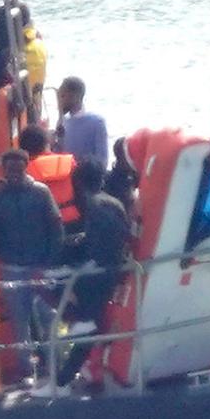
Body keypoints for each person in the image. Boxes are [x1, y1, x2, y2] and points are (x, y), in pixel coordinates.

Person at [0, 148, 66, 389]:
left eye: (17, 168)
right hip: (11, 266)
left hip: (40, 265)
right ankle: (26, 370)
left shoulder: (41, 193)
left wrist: (50, 261)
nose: (12, 173)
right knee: (19, 321)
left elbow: (56, 225)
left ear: (25, 168)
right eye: (9, 169)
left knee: (48, 316)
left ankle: (56, 366)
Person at [62, 160, 135, 386]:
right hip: (110, 269)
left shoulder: (96, 205)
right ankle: (85, 372)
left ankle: (62, 381)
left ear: (79, 182)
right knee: (93, 325)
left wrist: (92, 262)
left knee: (88, 326)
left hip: (101, 274)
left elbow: (108, 238)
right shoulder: (110, 201)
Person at [19, 125, 79, 230]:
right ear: (46, 144)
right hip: (71, 220)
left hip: (41, 224)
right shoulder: (69, 162)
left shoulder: (23, 171)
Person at [53, 76, 108, 175]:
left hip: (88, 181)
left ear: (75, 97)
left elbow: (102, 160)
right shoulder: (63, 122)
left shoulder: (97, 122)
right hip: (67, 179)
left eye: (62, 96)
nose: (59, 102)